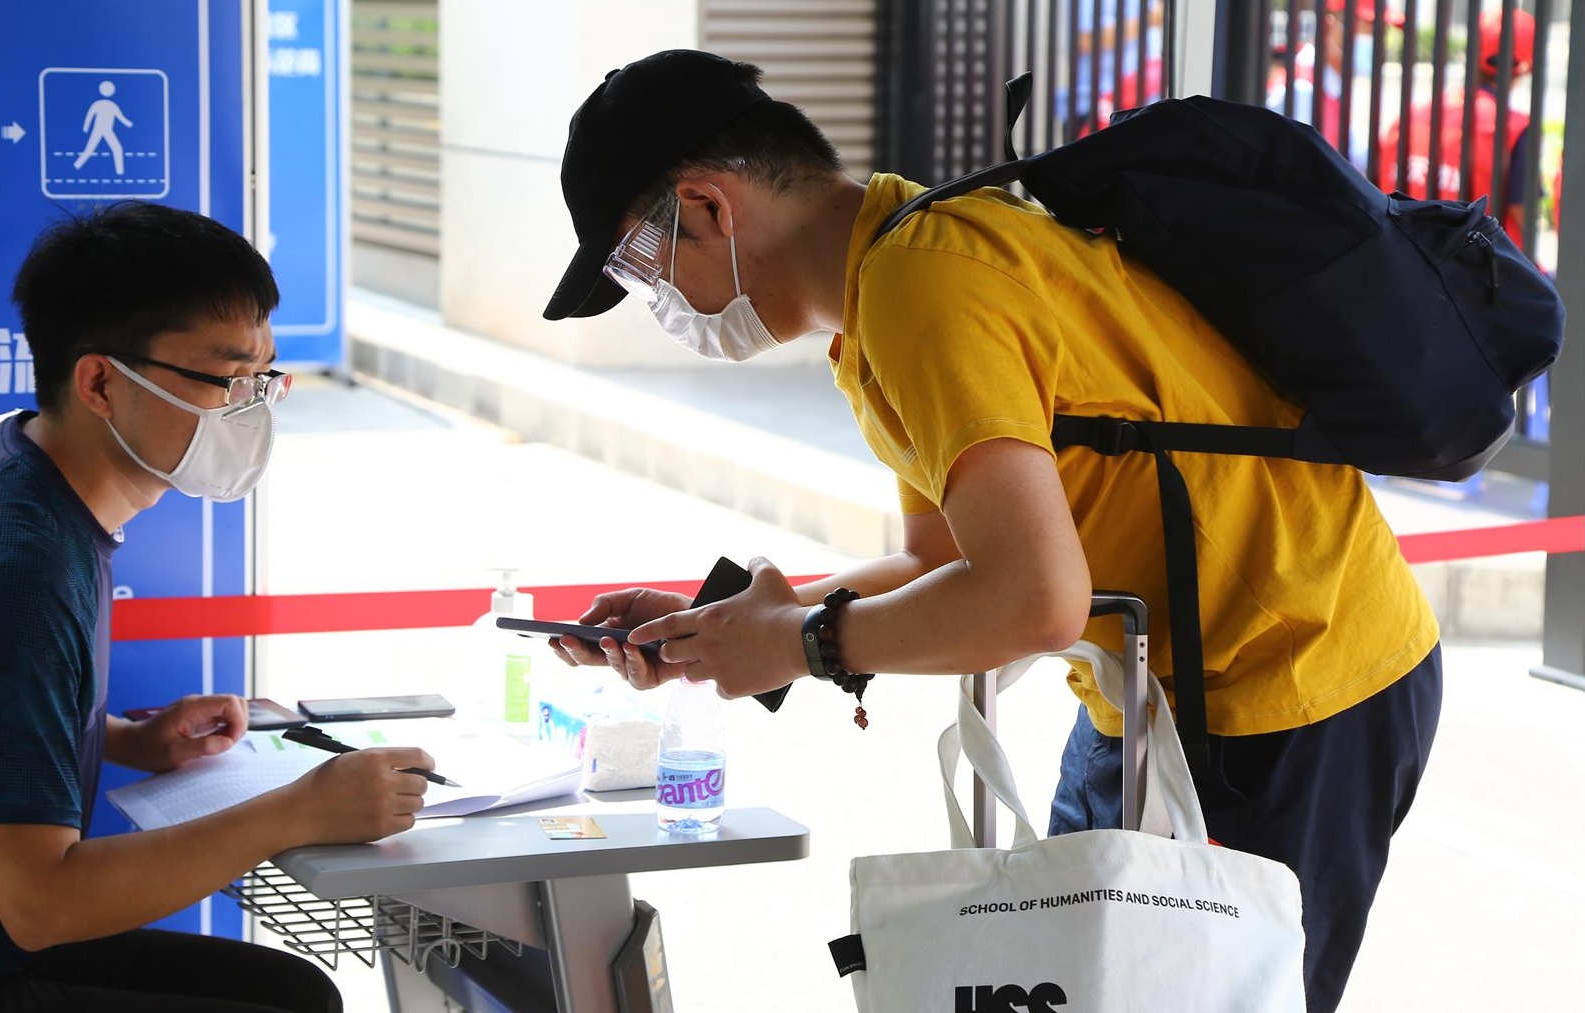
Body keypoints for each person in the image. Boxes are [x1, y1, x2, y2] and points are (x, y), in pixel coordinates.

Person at [542, 51, 1440, 1013]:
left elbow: (1031, 600)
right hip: (1149, 692)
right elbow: (942, 564)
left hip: (1289, 683)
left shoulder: (924, 286)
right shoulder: (887, 277)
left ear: (711, 208)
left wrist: (800, 644)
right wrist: (734, 628)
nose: (657, 301)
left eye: (641, 262)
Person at [0, 203, 437, 1011]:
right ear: (99, 382)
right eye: (227, 378)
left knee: (294, 990)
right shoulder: (15, 570)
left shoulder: (10, 454)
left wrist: (130, 738)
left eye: (266, 376)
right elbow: (43, 905)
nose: (254, 406)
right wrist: (301, 810)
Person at [1377, 8, 1540, 250]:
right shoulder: (1512, 127)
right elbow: (1523, 214)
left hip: (1400, 262)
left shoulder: (1414, 114)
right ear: (1525, 66)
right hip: (1475, 275)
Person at [1266, 0, 1402, 171]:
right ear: (1329, 27)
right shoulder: (1302, 91)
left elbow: (1356, 155)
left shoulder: (1328, 86)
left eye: (1384, 32)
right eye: (1369, 28)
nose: (1379, 41)